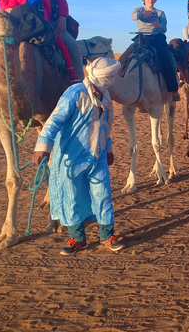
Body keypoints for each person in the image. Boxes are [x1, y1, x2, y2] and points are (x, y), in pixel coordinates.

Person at [32, 56, 125, 255]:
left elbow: (105, 128)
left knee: (103, 196)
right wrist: (43, 146)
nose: (112, 80)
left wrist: (108, 150)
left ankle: (107, 236)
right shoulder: (75, 93)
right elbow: (54, 120)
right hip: (72, 158)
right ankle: (78, 239)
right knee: (72, 198)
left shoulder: (105, 96)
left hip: (97, 155)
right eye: (110, 76)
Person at [120, 0, 180, 101]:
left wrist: (159, 26)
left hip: (157, 38)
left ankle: (173, 90)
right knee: (123, 59)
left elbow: (164, 28)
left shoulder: (160, 13)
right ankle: (120, 86)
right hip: (141, 38)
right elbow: (133, 17)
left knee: (167, 59)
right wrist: (143, 14)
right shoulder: (138, 10)